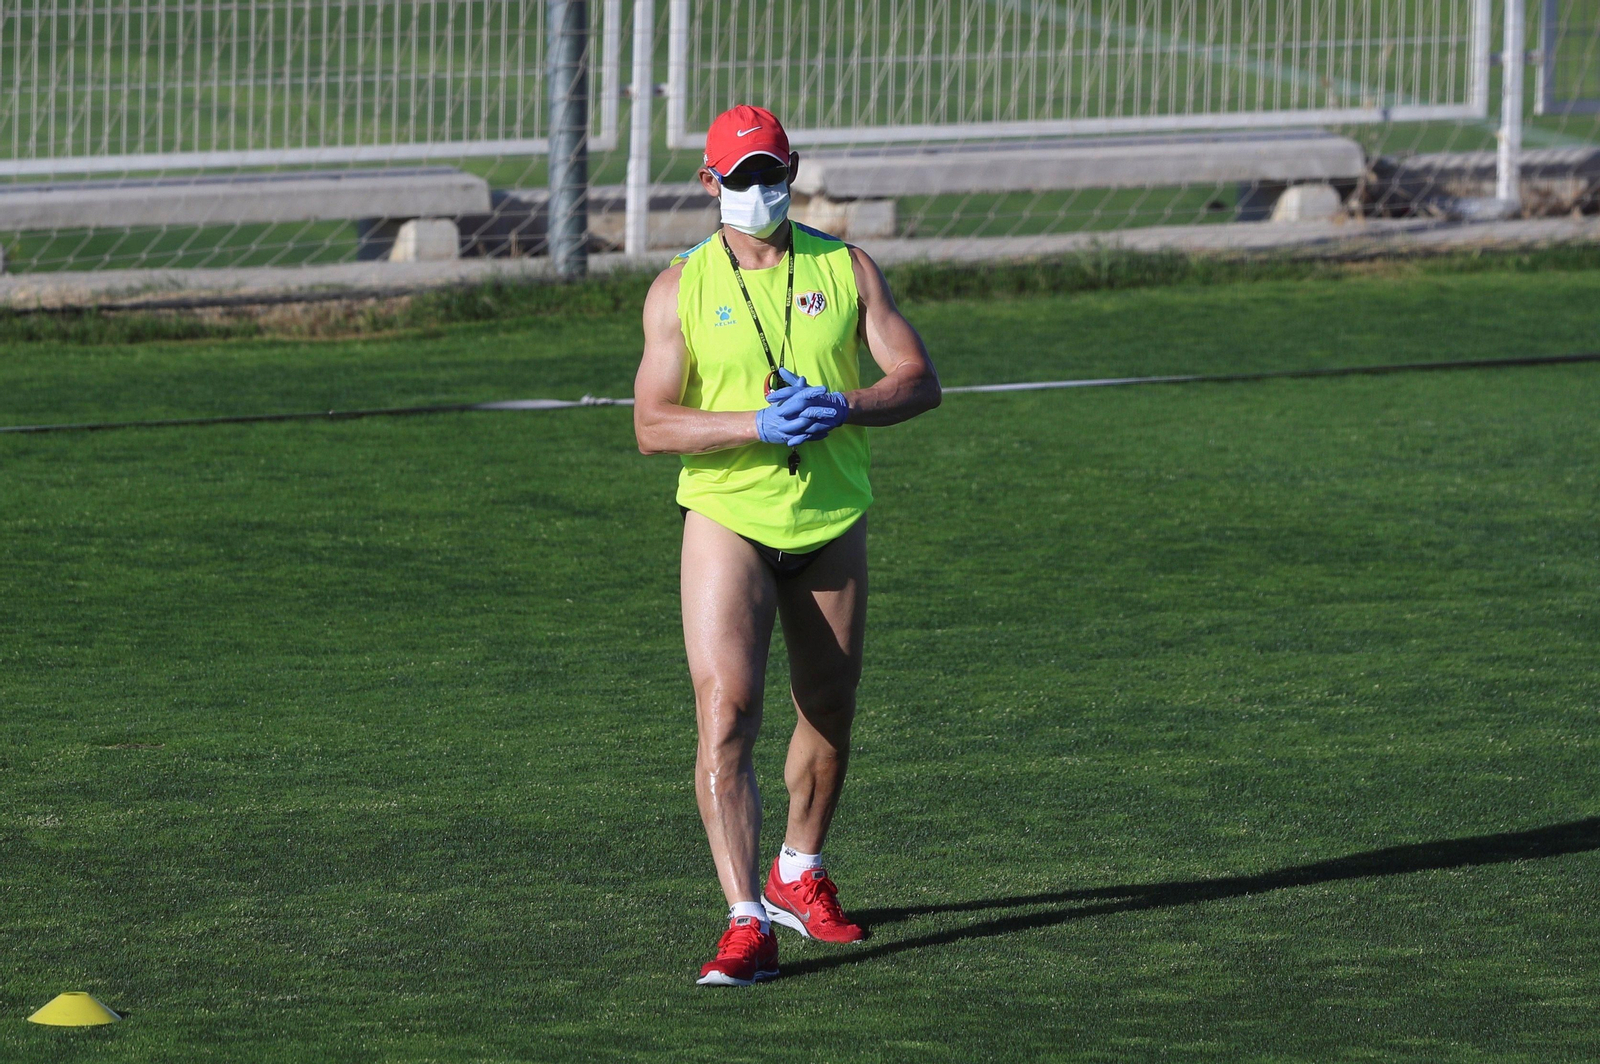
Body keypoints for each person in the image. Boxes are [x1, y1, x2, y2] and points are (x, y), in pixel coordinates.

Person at [633, 105, 941, 986]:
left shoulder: (845, 268)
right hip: (727, 515)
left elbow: (919, 380)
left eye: (771, 173)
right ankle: (743, 921)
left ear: (793, 168)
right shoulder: (679, 287)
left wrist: (843, 404)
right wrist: (756, 423)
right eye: (738, 180)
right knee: (727, 709)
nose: (756, 192)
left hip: (830, 517)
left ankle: (797, 873)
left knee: (830, 707)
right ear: (709, 186)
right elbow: (652, 425)